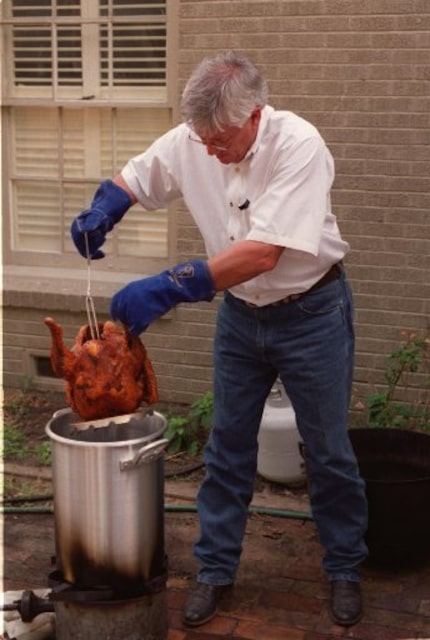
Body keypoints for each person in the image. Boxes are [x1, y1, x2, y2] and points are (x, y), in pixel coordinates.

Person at [71, 50, 368, 628]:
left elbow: (265, 252)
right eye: (201, 138)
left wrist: (173, 284)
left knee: (328, 451)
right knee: (227, 449)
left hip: (312, 313)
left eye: (221, 140)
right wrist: (103, 208)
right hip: (241, 317)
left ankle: (345, 566)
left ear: (255, 115)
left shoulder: (299, 145)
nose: (209, 150)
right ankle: (214, 570)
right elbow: (137, 176)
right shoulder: (196, 136)